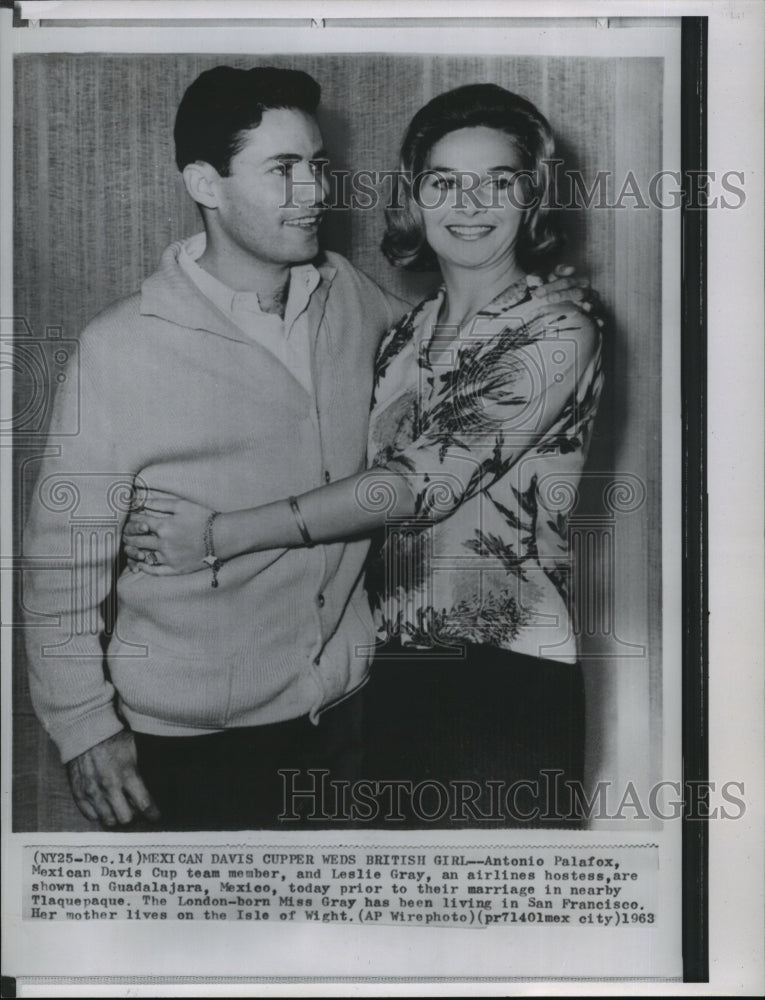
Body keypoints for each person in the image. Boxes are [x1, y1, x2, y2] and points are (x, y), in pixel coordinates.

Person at [23, 68, 587, 831]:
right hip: (197, 740)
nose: (314, 191)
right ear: (206, 183)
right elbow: (63, 558)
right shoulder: (119, 349)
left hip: (359, 712)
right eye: (282, 169)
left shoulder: (347, 295)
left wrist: (550, 311)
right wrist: (83, 723)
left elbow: (434, 439)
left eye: (318, 164)